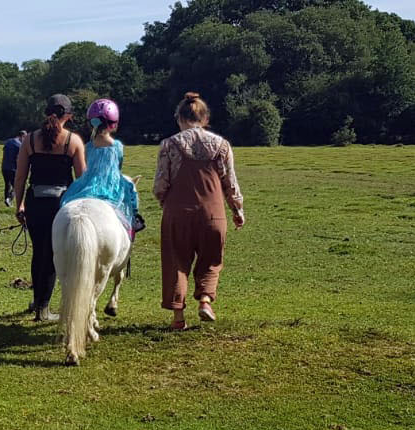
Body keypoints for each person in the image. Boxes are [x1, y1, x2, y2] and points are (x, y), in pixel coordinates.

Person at [155, 91, 246, 330]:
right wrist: (237, 209)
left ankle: (177, 318)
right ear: (205, 118)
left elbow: (160, 185)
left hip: (178, 213)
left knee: (176, 261)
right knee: (211, 260)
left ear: (179, 118)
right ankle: (205, 301)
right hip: (213, 213)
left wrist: (167, 204)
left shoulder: (169, 145)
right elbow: (230, 182)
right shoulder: (221, 145)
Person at [13, 94, 87, 321]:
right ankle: (43, 308)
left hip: (35, 202)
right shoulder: (72, 141)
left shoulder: (30, 140)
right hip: (61, 205)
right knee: (53, 255)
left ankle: (38, 302)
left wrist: (20, 205)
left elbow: (20, 178)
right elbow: (81, 179)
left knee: (38, 253)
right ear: (69, 116)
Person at [61, 98, 139, 236]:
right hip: (110, 184)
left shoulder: (88, 146)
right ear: (113, 124)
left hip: (88, 183)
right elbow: (117, 167)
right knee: (131, 191)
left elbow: (86, 165)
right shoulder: (117, 146)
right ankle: (134, 221)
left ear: (91, 125)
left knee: (67, 199)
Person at [0, 129, 27, 206]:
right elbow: (19, 158)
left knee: (7, 184)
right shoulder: (19, 145)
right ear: (22, 136)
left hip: (4, 167)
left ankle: (6, 200)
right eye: (24, 138)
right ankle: (9, 199)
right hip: (13, 168)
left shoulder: (8, 141)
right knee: (17, 186)